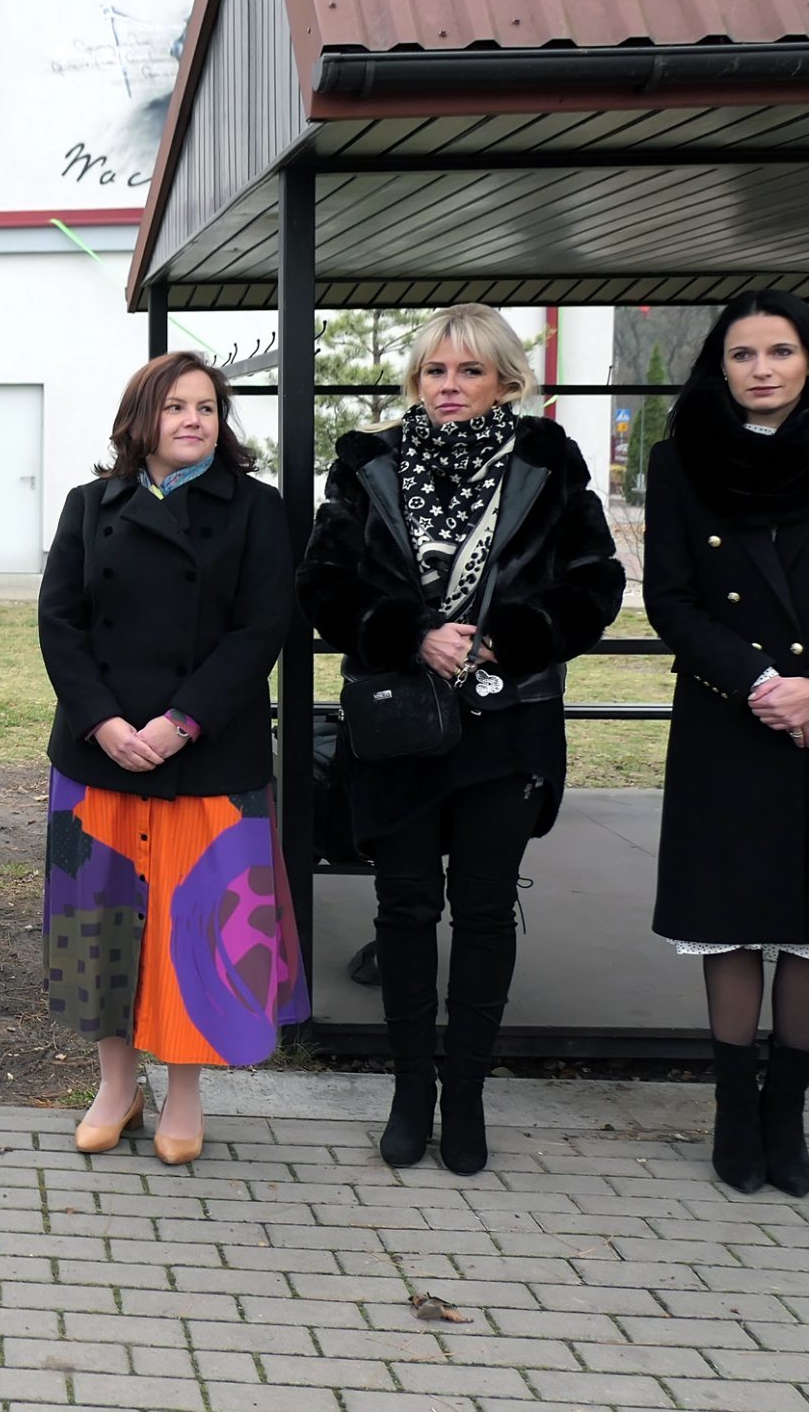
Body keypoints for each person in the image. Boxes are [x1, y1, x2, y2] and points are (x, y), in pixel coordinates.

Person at [297, 303, 623, 1175]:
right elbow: (323, 584)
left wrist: (506, 635)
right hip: (399, 725)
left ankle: (467, 1095)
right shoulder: (367, 463)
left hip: (505, 723)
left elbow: (596, 584)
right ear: (416, 379)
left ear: (505, 380)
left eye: (468, 371)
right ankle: (411, 1091)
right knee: (403, 910)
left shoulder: (547, 464)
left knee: (483, 912)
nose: (449, 386)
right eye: (435, 370)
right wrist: (409, 632)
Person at [645, 291, 809, 1198]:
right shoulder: (681, 460)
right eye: (741, 353)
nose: (761, 368)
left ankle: (785, 1115)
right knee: (729, 913)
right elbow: (672, 599)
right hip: (730, 716)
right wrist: (762, 683)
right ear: (717, 366)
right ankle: (732, 1113)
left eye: (779, 350)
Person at [37, 353, 304, 1165]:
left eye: (208, 407)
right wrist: (105, 722)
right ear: (140, 419)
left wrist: (182, 721)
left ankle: (184, 1091)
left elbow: (262, 628)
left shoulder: (258, 509)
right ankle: (117, 1086)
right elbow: (59, 622)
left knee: (198, 930)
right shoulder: (91, 505)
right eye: (176, 406)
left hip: (208, 752)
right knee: (103, 927)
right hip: (101, 755)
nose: (194, 419)